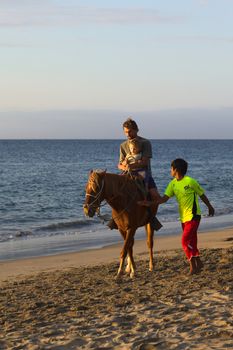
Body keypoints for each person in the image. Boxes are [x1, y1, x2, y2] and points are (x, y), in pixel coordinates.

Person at [153, 158, 215, 275]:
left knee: (185, 241)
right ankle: (199, 262)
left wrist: (210, 206)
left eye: (171, 169)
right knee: (192, 241)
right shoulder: (172, 184)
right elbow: (164, 199)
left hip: (194, 216)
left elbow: (202, 195)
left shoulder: (190, 181)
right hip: (183, 218)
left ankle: (193, 266)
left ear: (175, 169)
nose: (170, 171)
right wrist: (150, 203)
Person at [107, 117, 162, 230]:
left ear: (136, 130)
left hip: (143, 173)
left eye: (130, 131)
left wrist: (131, 166)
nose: (128, 134)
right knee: (114, 193)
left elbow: (145, 162)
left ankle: (151, 217)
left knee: (155, 196)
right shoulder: (123, 146)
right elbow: (119, 164)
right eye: (126, 132)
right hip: (126, 174)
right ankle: (115, 219)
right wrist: (125, 167)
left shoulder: (145, 143)